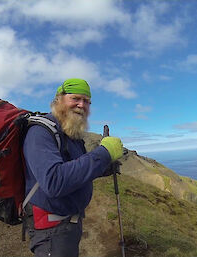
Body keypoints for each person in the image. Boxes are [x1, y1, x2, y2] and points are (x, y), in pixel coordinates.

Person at [23, 78, 123, 257]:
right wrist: (104, 154)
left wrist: (104, 168)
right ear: (59, 99)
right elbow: (54, 181)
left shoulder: (70, 133)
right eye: (75, 98)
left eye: (86, 101)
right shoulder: (40, 132)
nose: (81, 105)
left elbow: (73, 169)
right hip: (51, 230)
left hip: (69, 222)